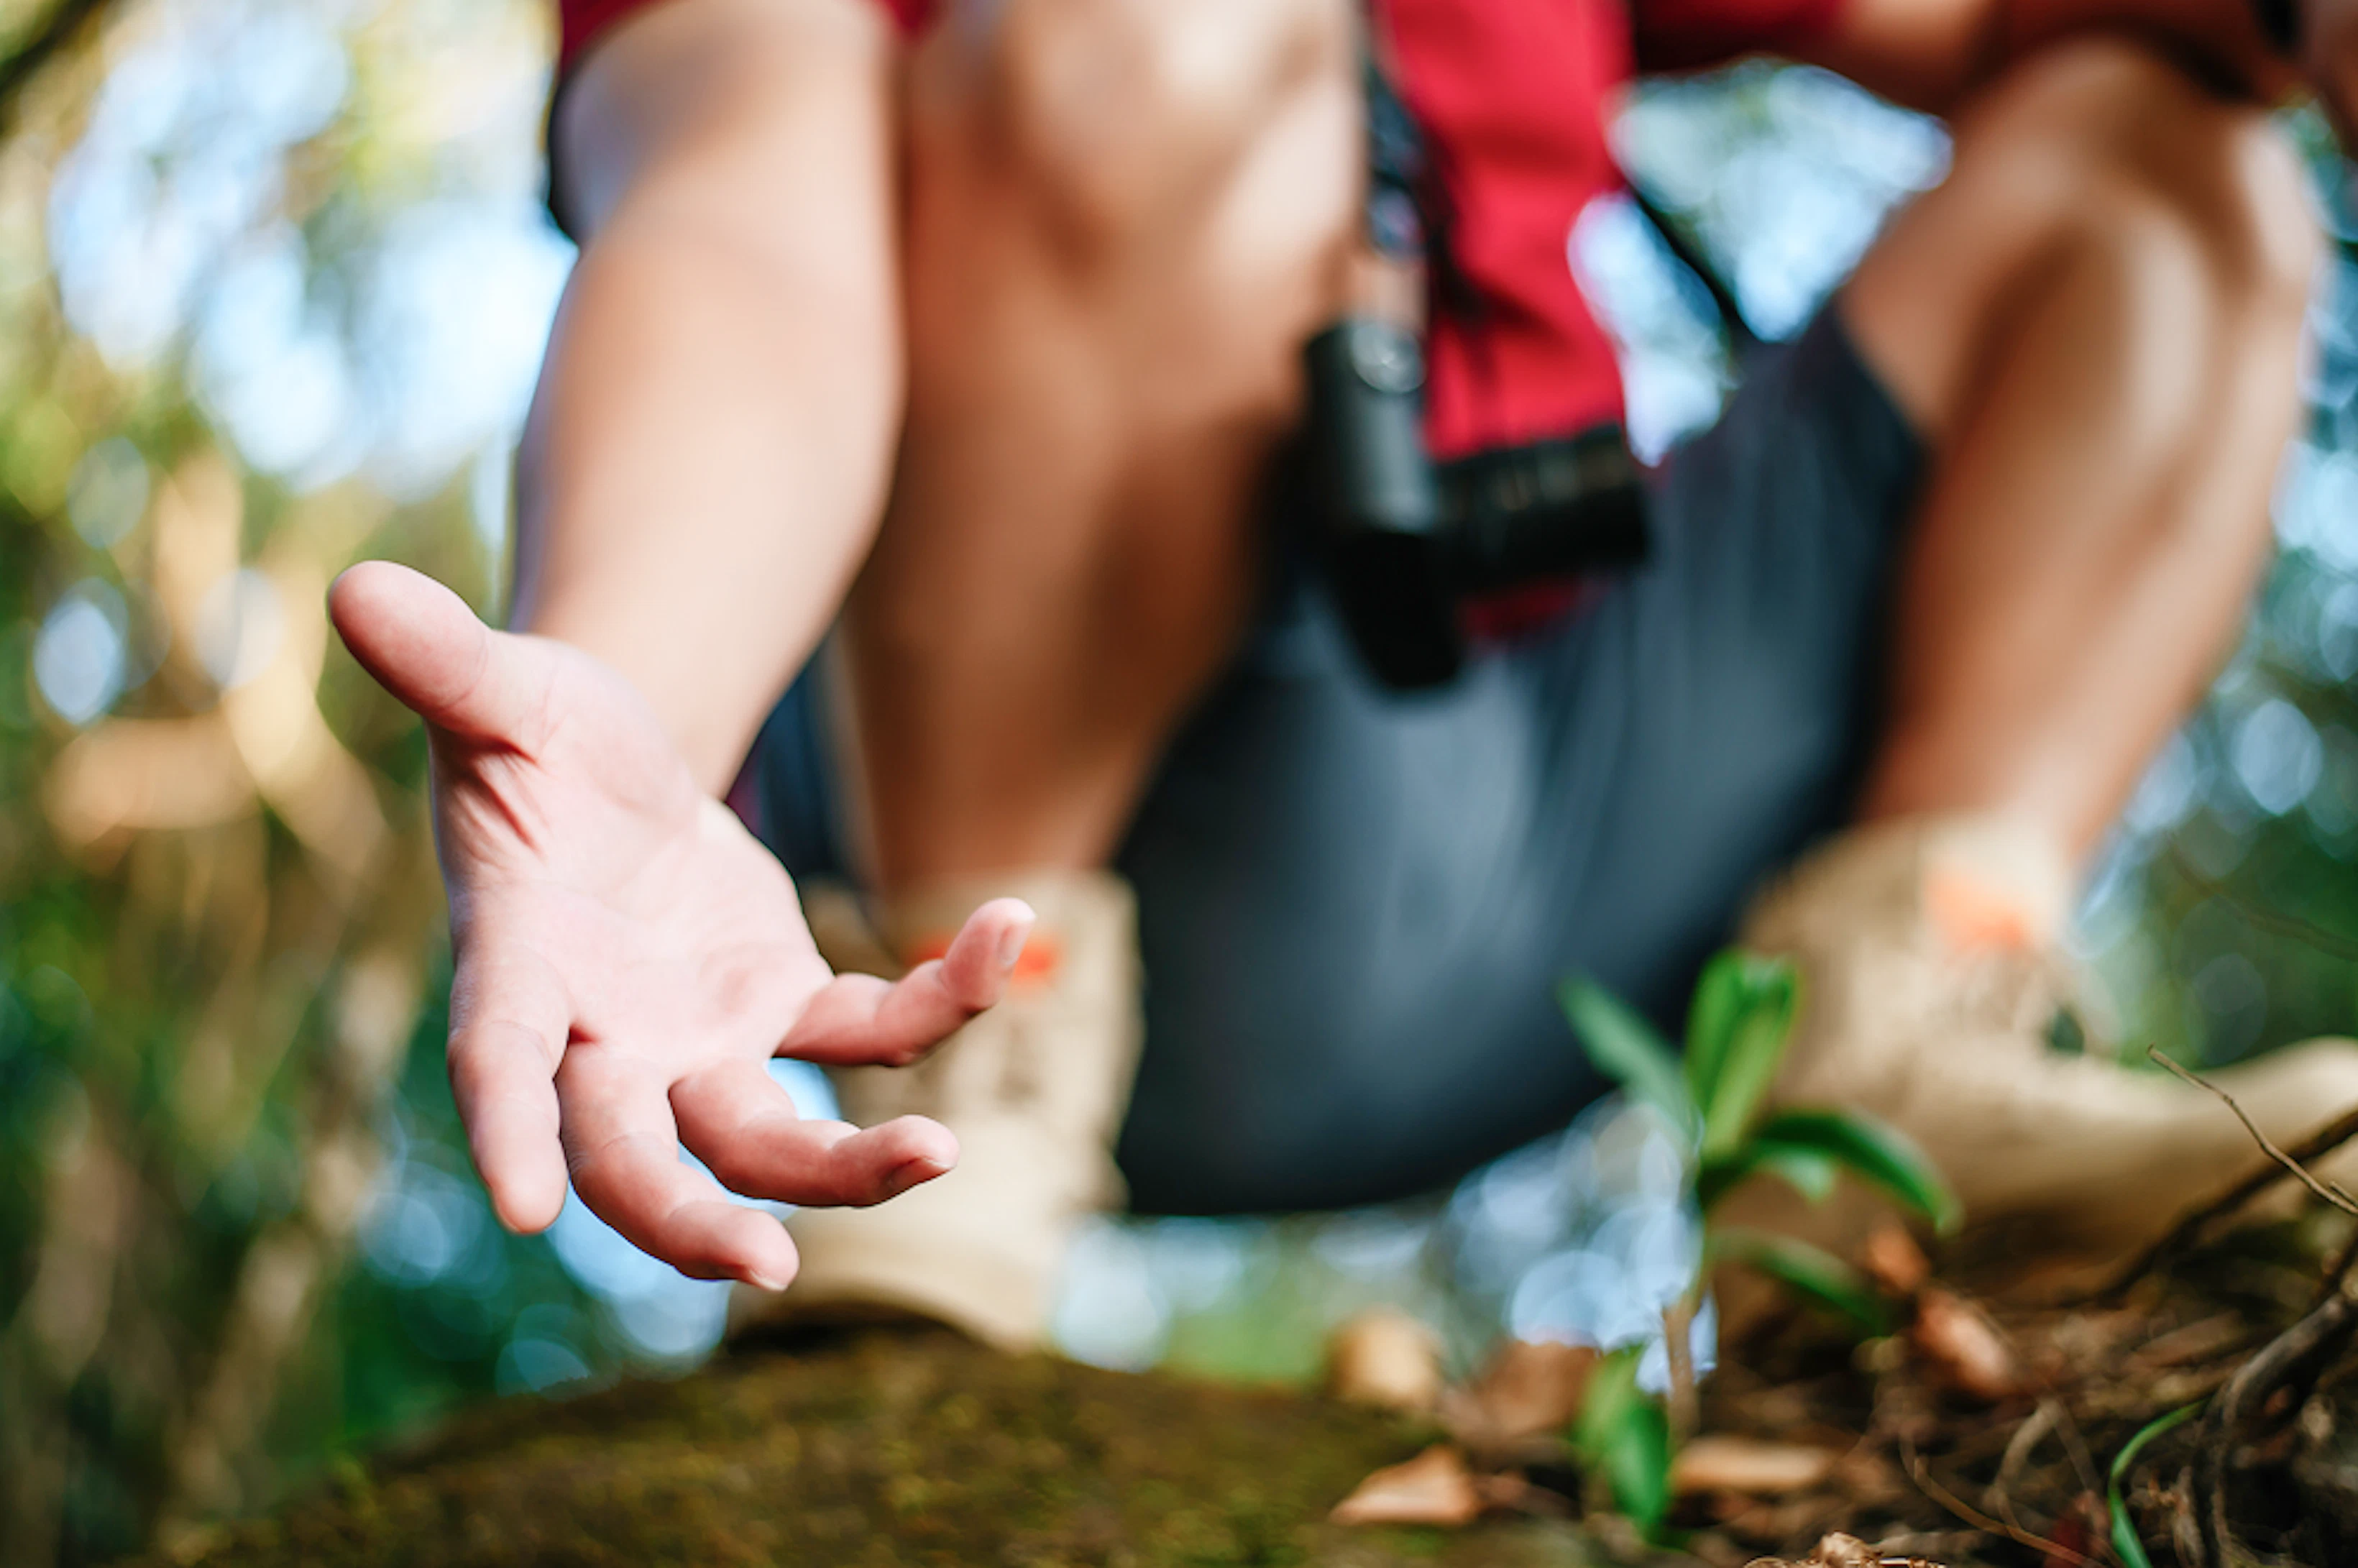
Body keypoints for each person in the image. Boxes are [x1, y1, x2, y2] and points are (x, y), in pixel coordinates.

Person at [329, 0, 2358, 1352]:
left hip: (1539, 816)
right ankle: (975, 1069)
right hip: (1013, 849)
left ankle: (1893, 1084)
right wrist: (634, 698)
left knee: (2169, 167)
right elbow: (738, 224)